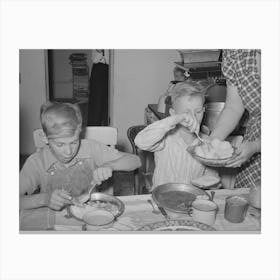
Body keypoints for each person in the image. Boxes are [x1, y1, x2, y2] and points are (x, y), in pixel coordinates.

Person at [20, 102, 141, 211]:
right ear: (45, 138)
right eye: (60, 144)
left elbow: (136, 161)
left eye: (74, 142)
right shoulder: (37, 162)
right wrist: (44, 199)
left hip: (92, 211)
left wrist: (110, 165)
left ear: (79, 133)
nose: (68, 152)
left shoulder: (90, 148)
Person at [135, 80, 219, 189]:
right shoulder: (165, 138)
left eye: (198, 112)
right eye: (186, 113)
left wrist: (211, 178)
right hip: (163, 197)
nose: (193, 117)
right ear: (173, 114)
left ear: (203, 110)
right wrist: (173, 120)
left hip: (192, 198)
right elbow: (140, 141)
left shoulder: (206, 141)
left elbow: (211, 171)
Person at [210, 49, 261, 188]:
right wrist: (212, 140)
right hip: (254, 139)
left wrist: (256, 146)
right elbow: (233, 107)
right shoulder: (235, 52)